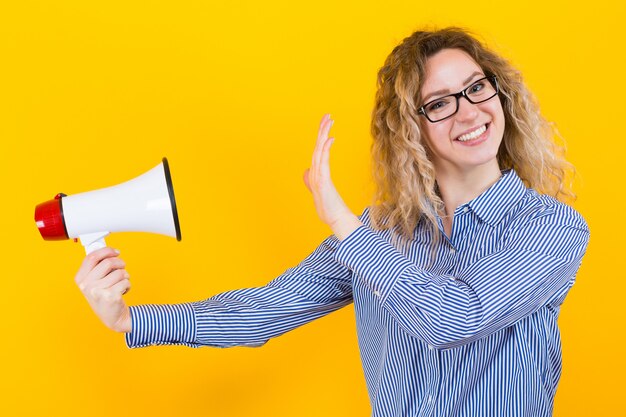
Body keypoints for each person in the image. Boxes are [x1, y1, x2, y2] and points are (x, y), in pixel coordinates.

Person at [73, 27, 590, 416]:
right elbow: (266, 310)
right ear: (411, 130)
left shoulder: (552, 228)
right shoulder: (382, 235)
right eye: (438, 103)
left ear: (499, 94)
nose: (468, 111)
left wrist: (344, 225)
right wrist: (128, 320)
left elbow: (455, 318)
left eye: (477, 87)